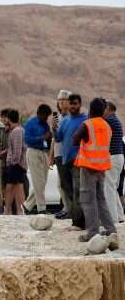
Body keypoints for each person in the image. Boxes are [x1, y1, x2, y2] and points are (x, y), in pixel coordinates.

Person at [71, 97, 117, 246]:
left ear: (90, 110)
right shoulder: (107, 126)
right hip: (101, 168)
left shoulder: (87, 125)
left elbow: (74, 140)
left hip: (89, 168)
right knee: (101, 199)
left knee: (88, 200)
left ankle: (93, 232)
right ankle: (111, 230)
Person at [56, 93, 88, 228]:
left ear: (80, 104)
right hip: (65, 160)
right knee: (67, 190)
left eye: (75, 104)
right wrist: (53, 128)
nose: (73, 106)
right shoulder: (64, 120)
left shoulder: (85, 120)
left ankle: (79, 222)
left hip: (78, 161)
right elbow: (58, 138)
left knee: (77, 191)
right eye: (71, 104)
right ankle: (75, 219)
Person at [23, 104, 53, 214]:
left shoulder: (45, 125)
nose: (46, 118)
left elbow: (48, 140)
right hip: (33, 152)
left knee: (42, 182)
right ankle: (42, 208)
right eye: (45, 116)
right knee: (38, 182)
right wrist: (41, 138)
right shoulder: (30, 124)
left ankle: (27, 205)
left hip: (44, 152)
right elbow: (27, 140)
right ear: (40, 114)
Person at [3, 110, 27, 215]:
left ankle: (19, 210)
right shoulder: (17, 130)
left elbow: (17, 149)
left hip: (16, 164)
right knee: (11, 187)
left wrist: (12, 162)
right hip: (16, 164)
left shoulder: (17, 131)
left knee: (17, 187)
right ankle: (9, 210)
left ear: (9, 118)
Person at [52, 90, 71, 219]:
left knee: (67, 184)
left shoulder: (71, 117)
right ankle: (67, 207)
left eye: (63, 99)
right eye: (59, 100)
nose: (61, 102)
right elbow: (54, 139)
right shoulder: (58, 118)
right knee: (61, 184)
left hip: (68, 155)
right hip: (58, 154)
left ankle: (70, 209)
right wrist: (50, 157)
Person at [104, 101, 124, 224]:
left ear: (108, 109)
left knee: (109, 188)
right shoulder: (115, 120)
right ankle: (120, 215)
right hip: (118, 157)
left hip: (113, 157)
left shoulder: (109, 121)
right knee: (113, 187)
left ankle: (113, 218)